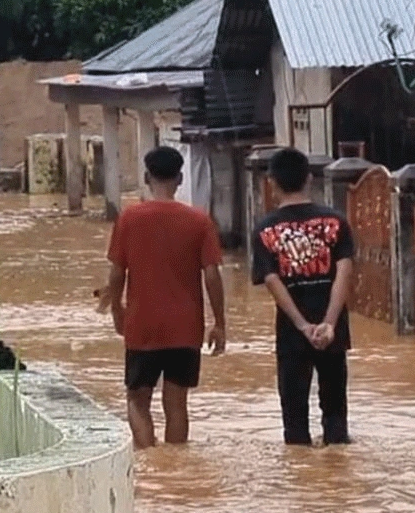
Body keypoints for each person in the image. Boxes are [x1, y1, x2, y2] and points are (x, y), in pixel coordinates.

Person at [104, 146, 226, 449]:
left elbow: (117, 274)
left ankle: (149, 462)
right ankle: (175, 468)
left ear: (146, 177)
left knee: (137, 399)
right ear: (180, 178)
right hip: (186, 328)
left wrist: (117, 312)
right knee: (177, 405)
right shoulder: (199, 222)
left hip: (142, 325)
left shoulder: (129, 219)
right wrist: (219, 323)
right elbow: (212, 275)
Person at [251, 148, 355, 446]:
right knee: (336, 418)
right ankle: (335, 483)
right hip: (332, 331)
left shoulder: (265, 230)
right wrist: (329, 324)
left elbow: (272, 281)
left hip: (291, 334)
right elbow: (343, 274)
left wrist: (301, 325)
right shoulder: (337, 222)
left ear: (272, 182)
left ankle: (300, 488)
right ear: (310, 179)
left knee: (294, 423)